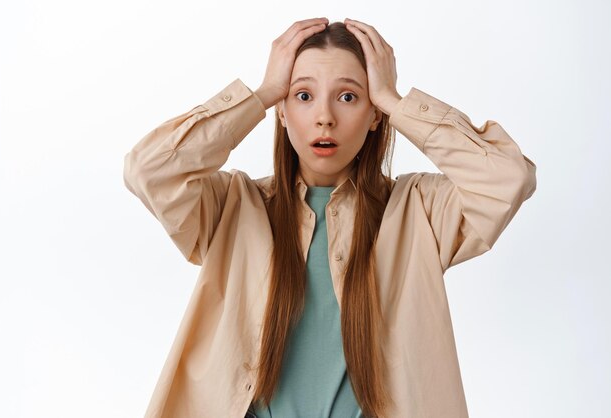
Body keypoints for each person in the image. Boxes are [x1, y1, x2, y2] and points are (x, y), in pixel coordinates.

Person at [123, 17, 536, 418]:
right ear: (282, 111)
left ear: (374, 116)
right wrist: (261, 95)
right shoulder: (232, 205)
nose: (325, 117)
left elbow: (507, 177)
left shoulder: (418, 211)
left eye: (348, 97)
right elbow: (149, 170)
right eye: (303, 96)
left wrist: (395, 102)